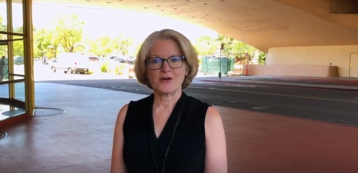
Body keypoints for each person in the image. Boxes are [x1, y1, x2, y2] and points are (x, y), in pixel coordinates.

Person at [111, 29, 227, 173]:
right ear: (146, 69)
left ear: (187, 68)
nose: (165, 68)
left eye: (174, 59)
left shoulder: (209, 117)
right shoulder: (127, 114)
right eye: (155, 61)